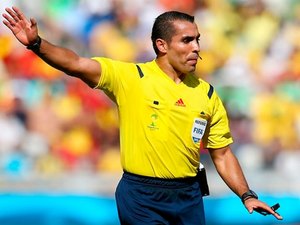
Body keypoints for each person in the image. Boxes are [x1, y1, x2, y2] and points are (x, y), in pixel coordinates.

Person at [2, 6, 283, 225]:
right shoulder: (131, 77)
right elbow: (76, 63)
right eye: (187, 40)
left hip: (188, 196)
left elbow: (221, 154)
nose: (197, 47)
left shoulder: (207, 94)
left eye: (197, 40)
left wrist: (246, 195)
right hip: (141, 194)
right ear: (162, 45)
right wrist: (36, 43)